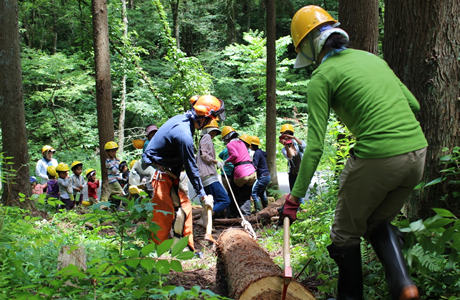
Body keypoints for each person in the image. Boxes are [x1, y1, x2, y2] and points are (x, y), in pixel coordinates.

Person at [280, 6, 428, 300]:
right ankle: (404, 286)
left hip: (377, 156)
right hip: (417, 153)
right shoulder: (373, 59)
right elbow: (414, 105)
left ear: (309, 47)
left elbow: (315, 148)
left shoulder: (322, 77)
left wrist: (294, 198)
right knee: (375, 223)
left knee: (344, 234)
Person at [142, 95, 225, 251]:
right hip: (157, 172)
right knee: (163, 211)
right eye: (212, 118)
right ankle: (157, 249)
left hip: (168, 171)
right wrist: (202, 195)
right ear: (204, 118)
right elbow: (191, 166)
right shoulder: (184, 134)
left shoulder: (184, 121)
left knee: (184, 207)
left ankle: (183, 247)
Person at [196, 120, 231, 225]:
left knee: (213, 201)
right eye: (213, 132)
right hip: (208, 175)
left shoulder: (203, 138)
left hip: (205, 175)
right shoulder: (206, 137)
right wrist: (216, 162)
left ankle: (206, 222)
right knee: (225, 200)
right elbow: (204, 154)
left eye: (215, 132)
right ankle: (205, 218)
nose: (214, 134)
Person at [221, 129, 256, 217]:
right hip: (252, 172)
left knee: (232, 194)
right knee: (245, 196)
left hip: (241, 173)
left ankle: (232, 215)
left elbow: (235, 155)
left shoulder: (230, 144)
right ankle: (246, 216)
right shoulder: (242, 143)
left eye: (225, 140)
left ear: (227, 138)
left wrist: (225, 162)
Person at [279, 124, 306, 202]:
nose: (287, 137)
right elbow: (290, 157)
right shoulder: (284, 149)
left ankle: (301, 210)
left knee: (298, 194)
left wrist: (294, 138)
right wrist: (287, 146)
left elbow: (304, 145)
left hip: (301, 173)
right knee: (294, 194)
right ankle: (298, 211)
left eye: (288, 135)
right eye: (284, 136)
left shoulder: (298, 145)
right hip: (293, 174)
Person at [250, 136, 271, 212]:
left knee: (254, 193)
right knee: (261, 194)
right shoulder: (261, 152)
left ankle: (258, 211)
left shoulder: (257, 153)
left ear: (251, 145)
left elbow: (254, 165)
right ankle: (266, 209)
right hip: (267, 176)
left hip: (262, 177)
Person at [102, 141, 125, 209]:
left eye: (114, 151)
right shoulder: (108, 161)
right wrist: (117, 162)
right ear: (107, 152)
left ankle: (110, 206)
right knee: (120, 192)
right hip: (112, 180)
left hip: (117, 178)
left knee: (113, 194)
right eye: (112, 151)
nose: (114, 153)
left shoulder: (115, 159)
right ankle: (116, 206)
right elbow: (114, 170)